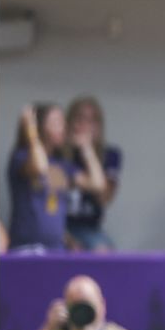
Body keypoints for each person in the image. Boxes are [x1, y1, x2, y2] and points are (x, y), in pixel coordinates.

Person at [6, 103, 75, 252]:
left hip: (56, 247)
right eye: (56, 122)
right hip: (27, 247)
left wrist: (86, 147)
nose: (63, 128)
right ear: (40, 126)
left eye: (63, 122)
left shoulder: (62, 164)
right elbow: (40, 166)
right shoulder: (22, 157)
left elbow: (96, 184)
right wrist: (31, 131)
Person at [64, 96, 122, 251]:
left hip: (89, 227)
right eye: (81, 118)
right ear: (69, 122)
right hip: (59, 226)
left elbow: (104, 197)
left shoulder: (110, 154)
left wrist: (87, 151)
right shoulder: (58, 154)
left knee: (103, 251)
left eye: (92, 120)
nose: (86, 126)